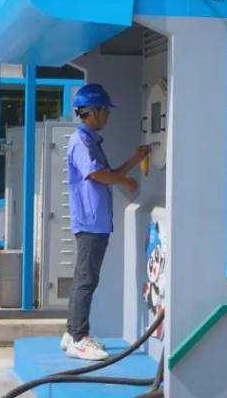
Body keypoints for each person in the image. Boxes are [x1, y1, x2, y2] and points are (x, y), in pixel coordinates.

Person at [61, 83, 150, 360]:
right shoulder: (81, 141)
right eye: (106, 112)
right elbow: (97, 175)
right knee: (87, 280)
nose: (108, 117)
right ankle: (79, 338)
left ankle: (71, 333)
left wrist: (134, 160)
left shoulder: (90, 142)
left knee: (83, 277)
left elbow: (107, 172)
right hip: (90, 221)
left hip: (94, 221)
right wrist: (125, 181)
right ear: (94, 111)